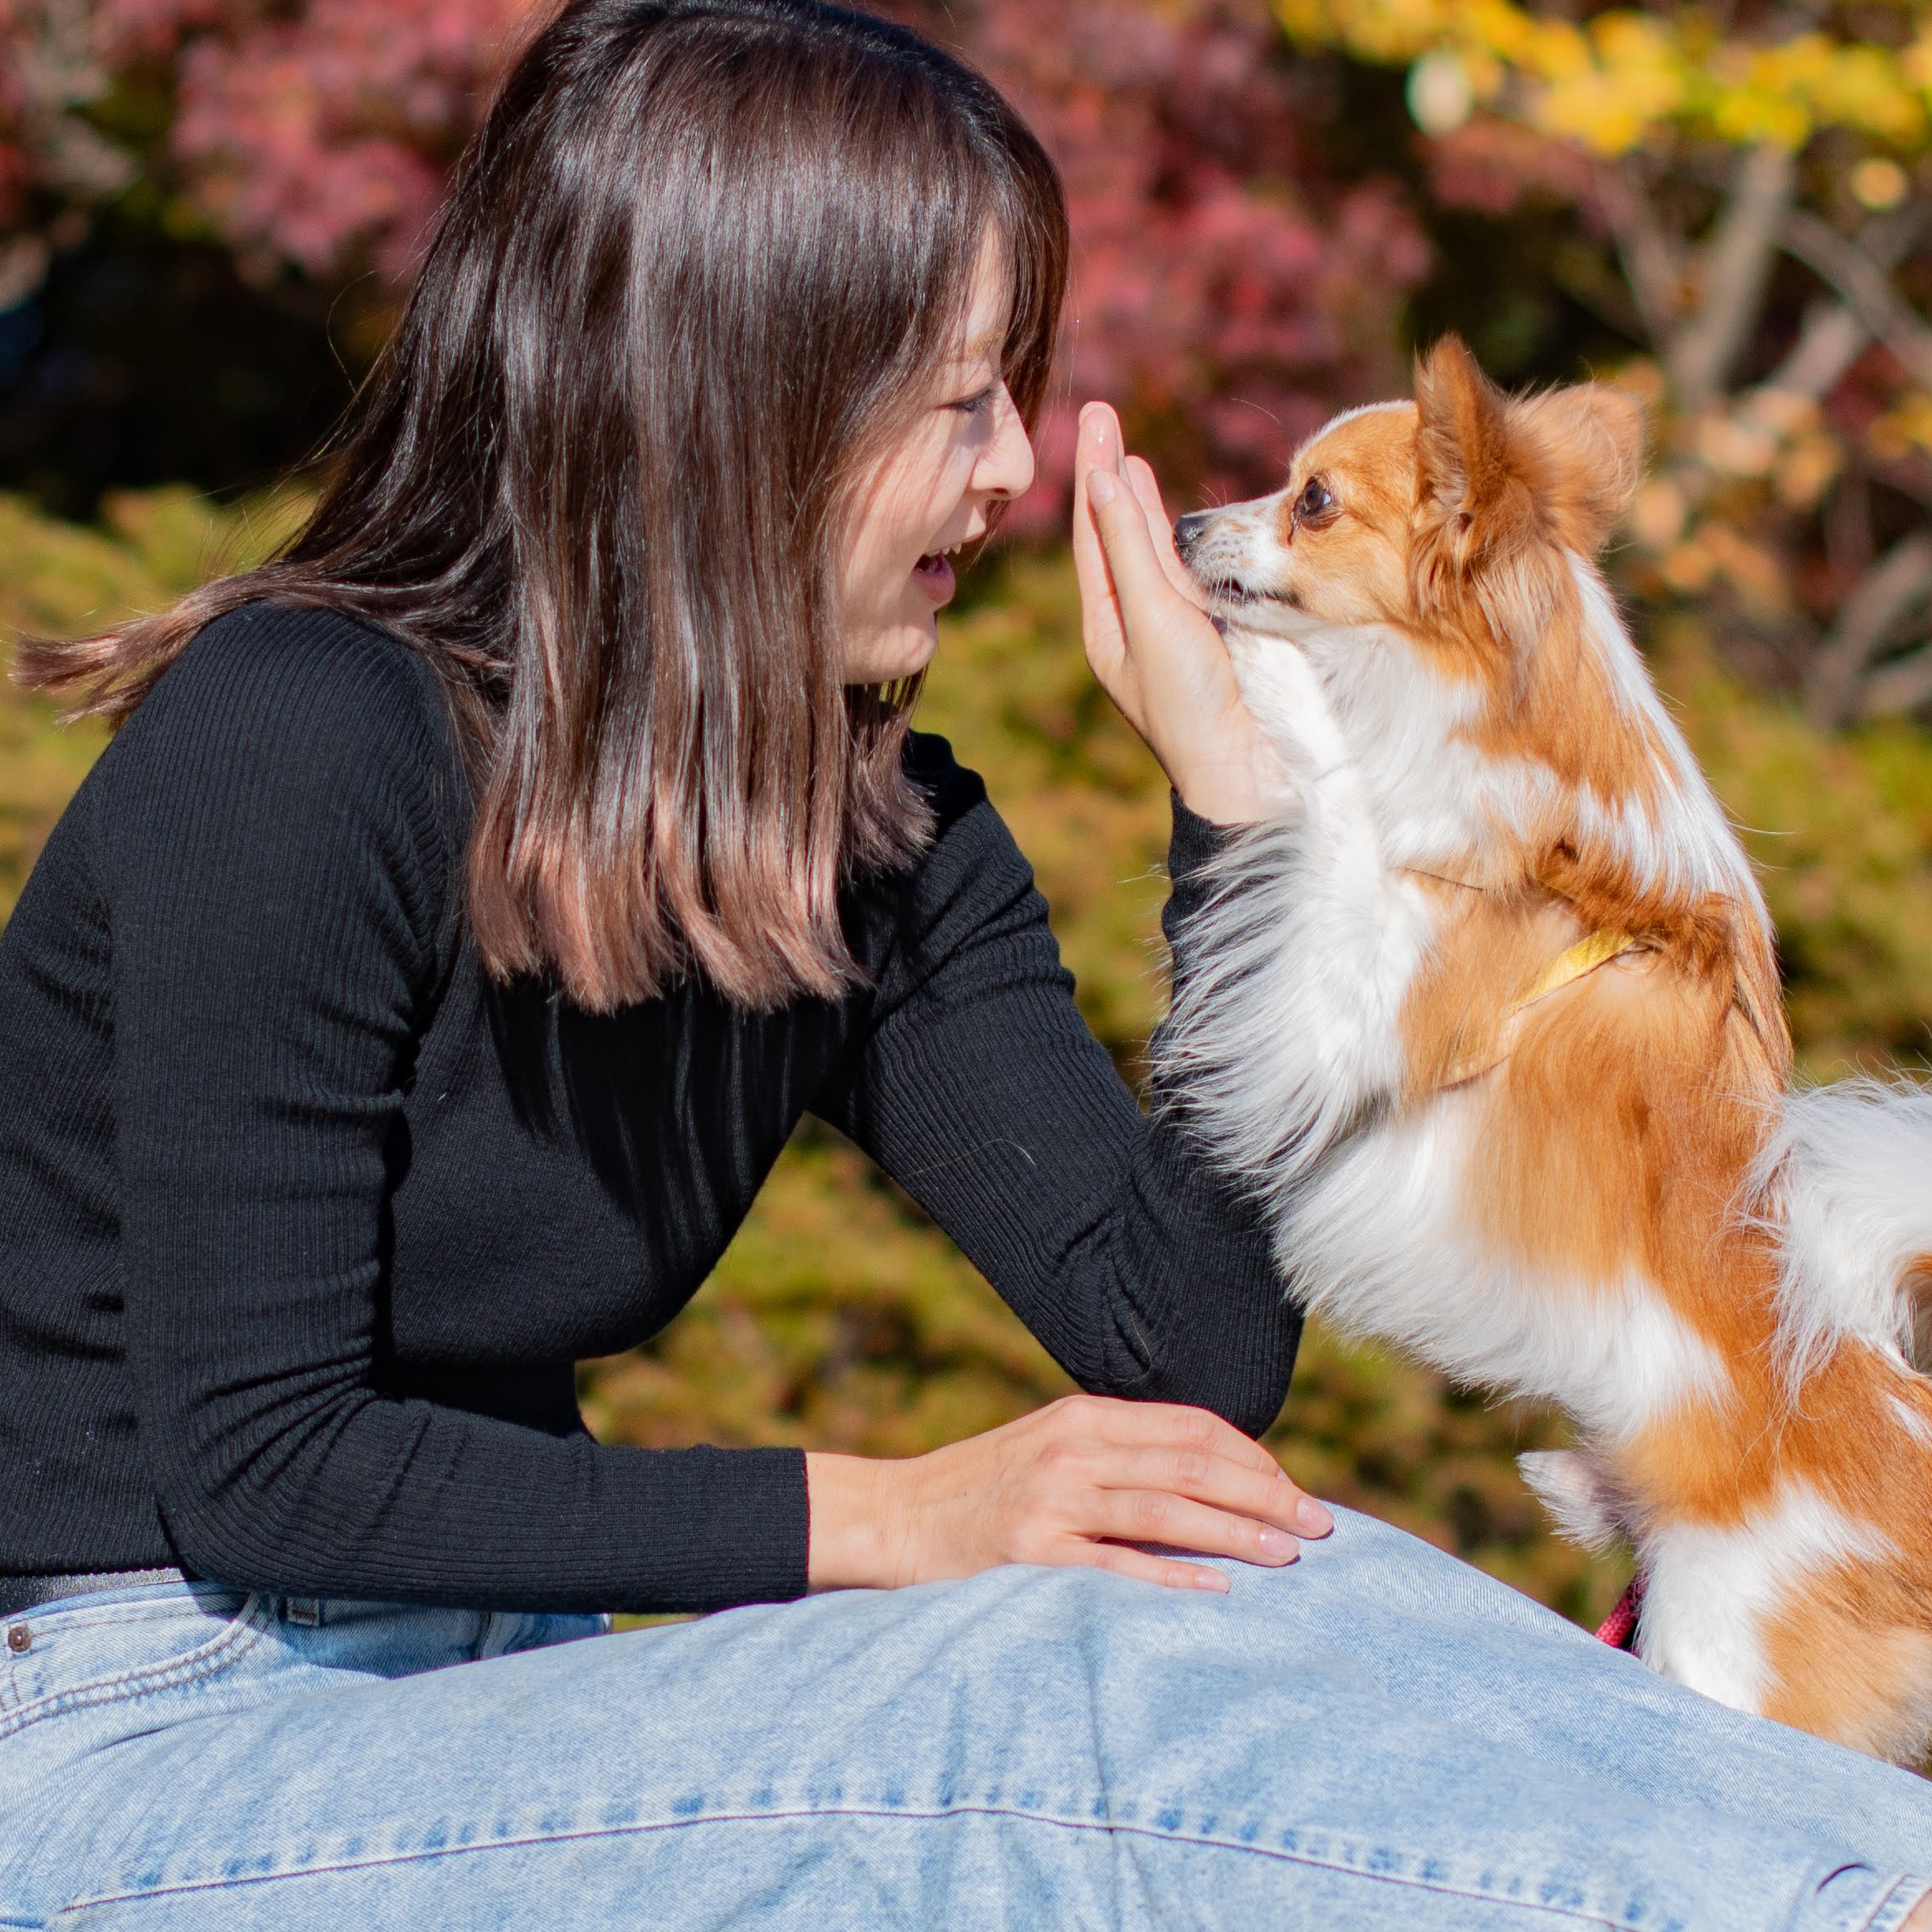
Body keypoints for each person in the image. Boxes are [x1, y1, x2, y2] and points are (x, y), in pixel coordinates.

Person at [0, 2, 1925, 1925]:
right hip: (146, 1724)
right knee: (1037, 1686)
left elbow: (1183, 1356)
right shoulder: (304, 732)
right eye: (955, 399)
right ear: (731, 393)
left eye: (1018, 388)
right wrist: (903, 1514)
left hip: (515, 1696)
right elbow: (265, 1460)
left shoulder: (870, 830)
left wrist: (1235, 814)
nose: (1016, 465)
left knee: (1271, 1566)